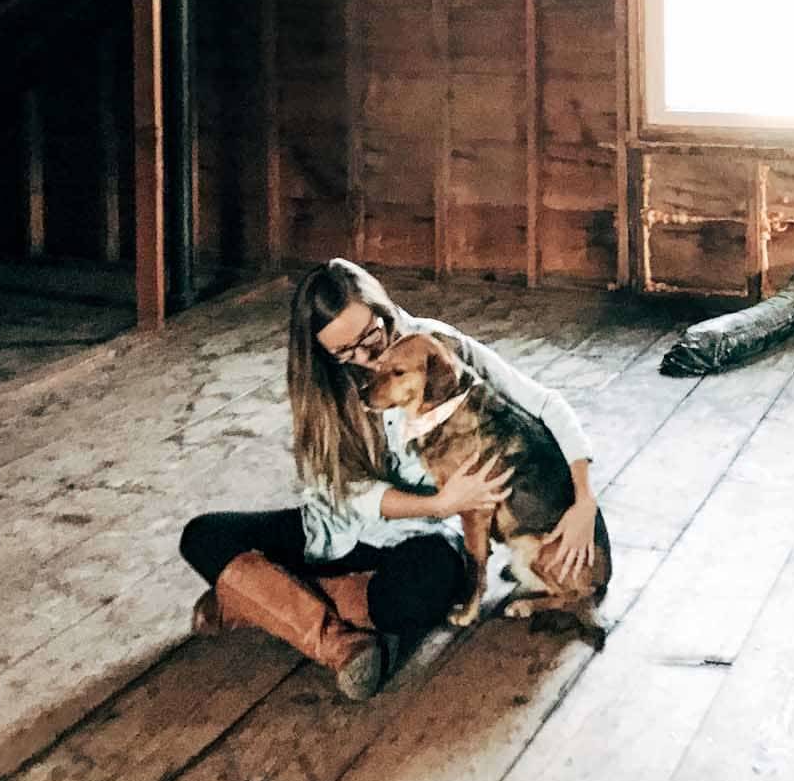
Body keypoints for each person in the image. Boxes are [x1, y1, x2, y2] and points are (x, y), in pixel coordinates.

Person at [179, 259, 598, 700]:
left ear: (382, 309)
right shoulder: (324, 387)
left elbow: (546, 405)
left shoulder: (439, 348)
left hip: (422, 542)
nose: (366, 358)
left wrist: (583, 499)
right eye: (345, 353)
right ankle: (337, 641)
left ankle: (262, 598)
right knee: (202, 536)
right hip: (343, 529)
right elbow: (354, 494)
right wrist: (439, 503)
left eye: (370, 338)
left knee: (425, 590)